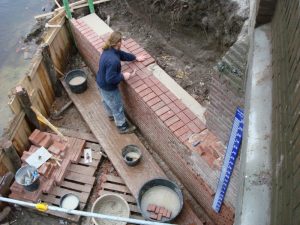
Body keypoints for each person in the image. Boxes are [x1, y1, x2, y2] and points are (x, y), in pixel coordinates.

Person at [96, 31, 147, 134]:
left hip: (100, 82)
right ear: (118, 42)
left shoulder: (109, 50)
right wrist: (123, 76)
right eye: (121, 40)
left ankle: (110, 115)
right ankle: (122, 126)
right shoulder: (113, 60)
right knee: (117, 106)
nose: (122, 42)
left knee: (106, 100)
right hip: (108, 87)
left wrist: (135, 57)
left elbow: (122, 55)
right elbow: (110, 79)